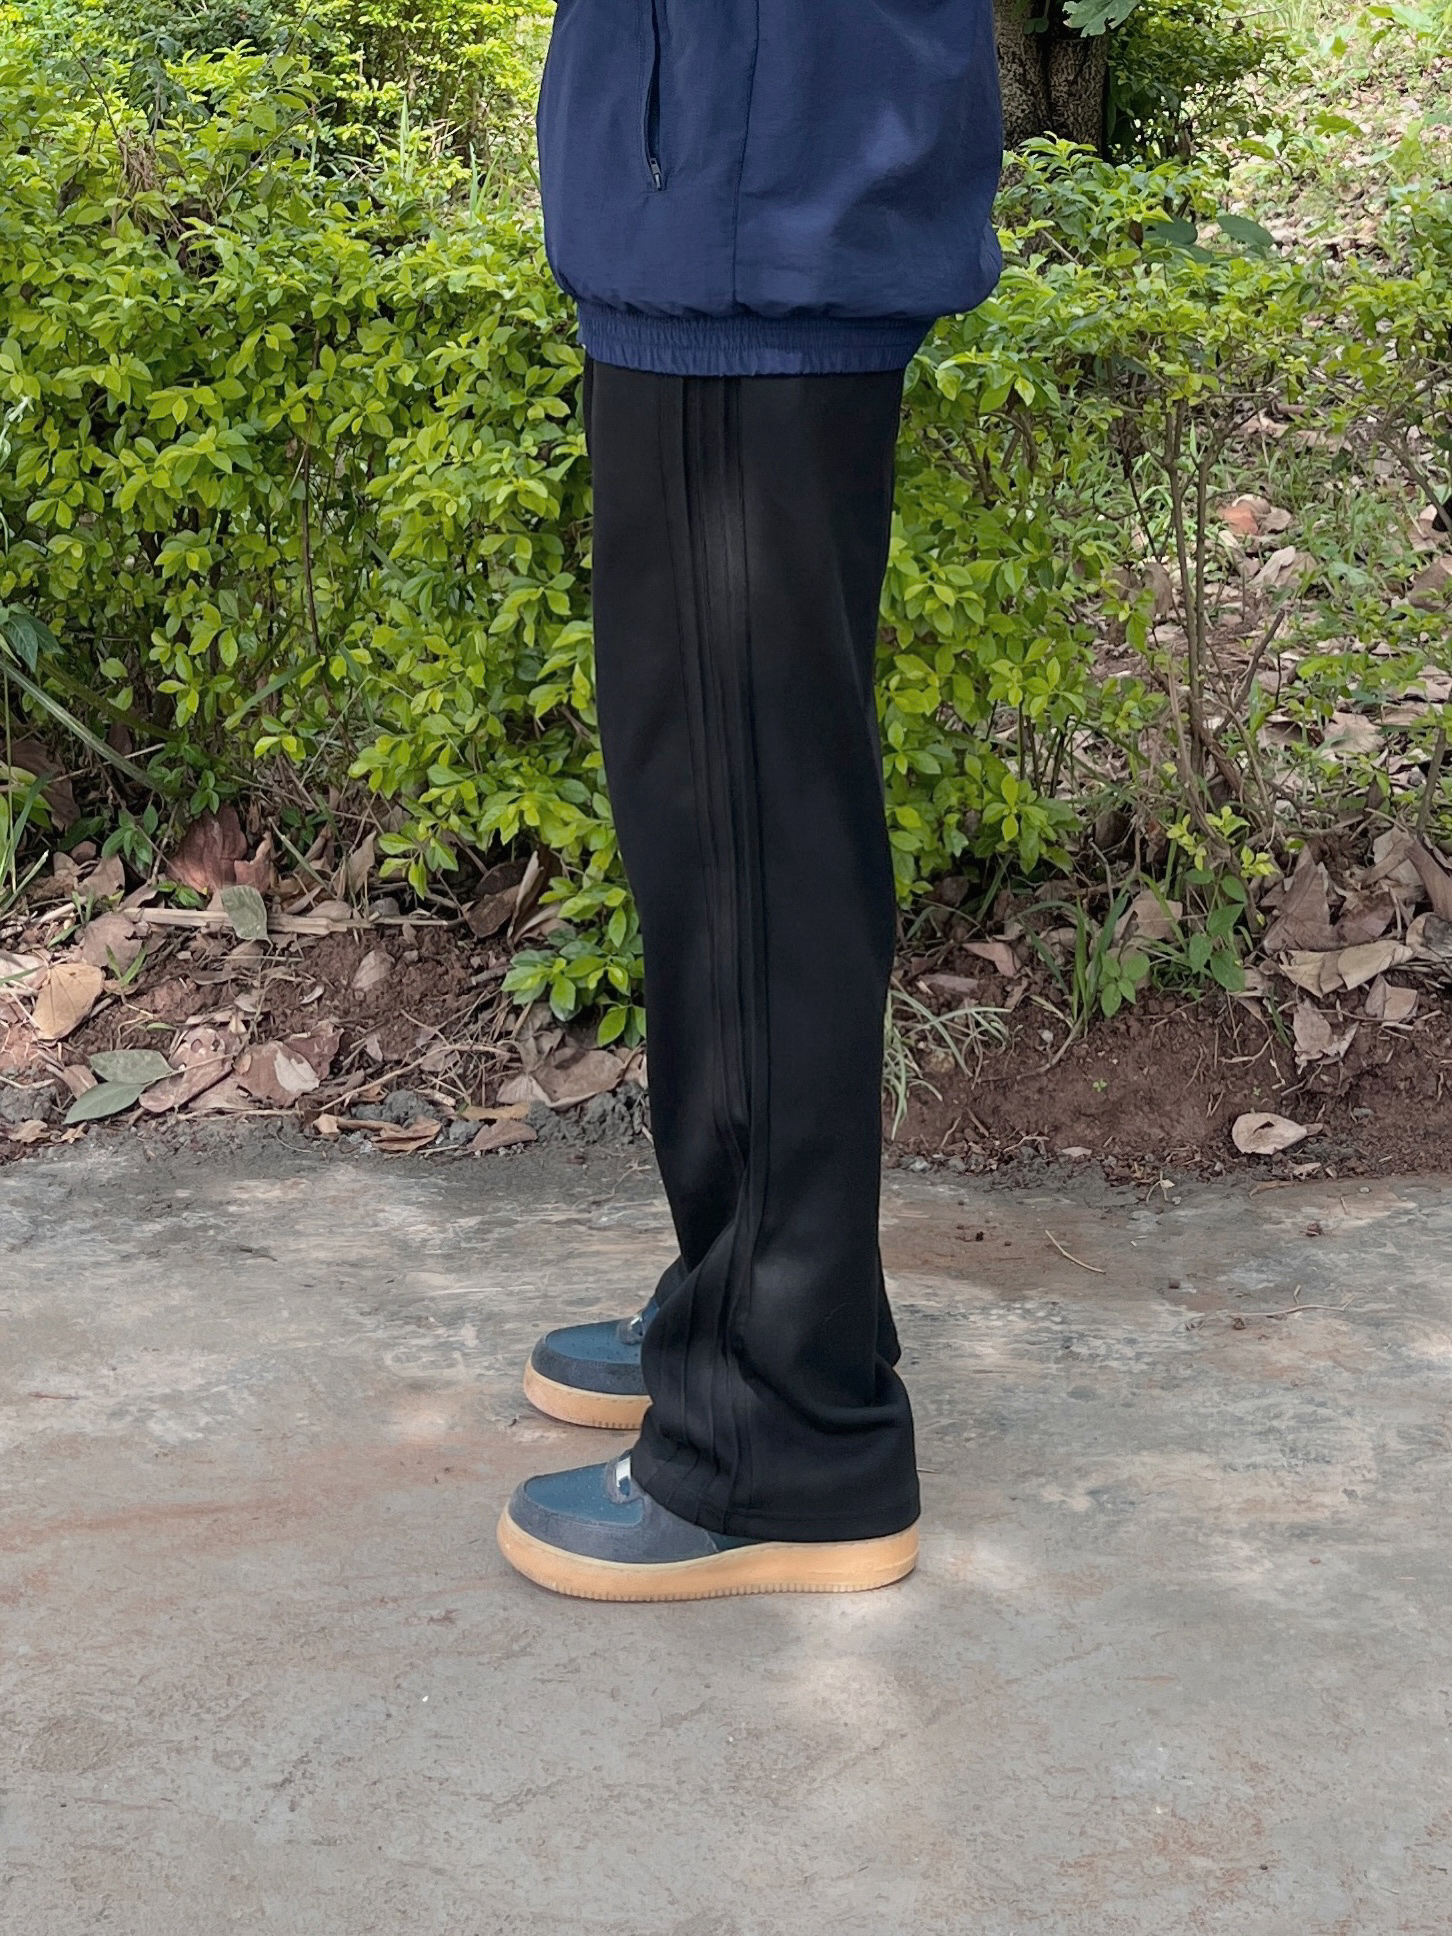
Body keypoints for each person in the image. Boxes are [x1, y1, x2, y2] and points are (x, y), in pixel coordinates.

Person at [496, 0, 1004, 1602]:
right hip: (731, 197)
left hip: (748, 199)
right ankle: (768, 1316)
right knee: (740, 830)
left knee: (747, 853)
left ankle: (782, 1435)